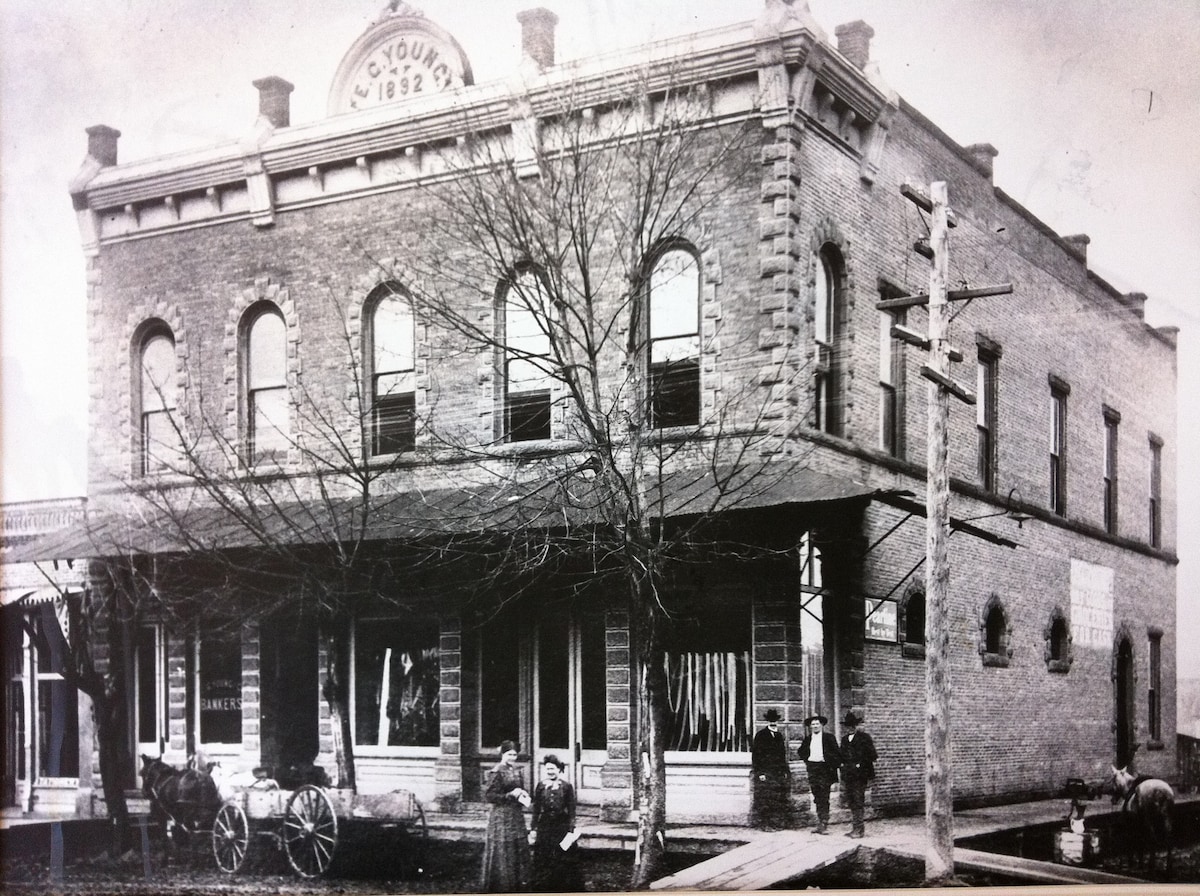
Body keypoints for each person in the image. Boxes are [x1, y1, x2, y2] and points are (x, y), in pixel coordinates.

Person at [481, 740, 531, 892]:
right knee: (504, 849)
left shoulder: (515, 770)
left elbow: (518, 788)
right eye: (509, 754)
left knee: (517, 847)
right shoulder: (497, 771)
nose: (512, 758)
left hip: (515, 814)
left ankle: (517, 883)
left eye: (515, 754)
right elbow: (489, 796)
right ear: (502, 754)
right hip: (501, 816)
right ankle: (502, 885)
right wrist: (510, 795)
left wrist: (522, 793)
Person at [528, 754, 582, 892]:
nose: (550, 771)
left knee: (561, 855)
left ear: (559, 769)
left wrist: (571, 829)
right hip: (545, 825)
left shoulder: (567, 787)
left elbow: (571, 810)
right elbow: (536, 809)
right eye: (547, 769)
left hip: (561, 825)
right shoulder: (541, 786)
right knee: (544, 856)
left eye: (552, 769)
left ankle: (562, 887)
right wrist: (533, 828)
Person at [749, 708, 793, 830]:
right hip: (766, 772)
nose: (773, 723)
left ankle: (775, 823)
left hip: (777, 772)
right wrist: (760, 772)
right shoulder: (761, 735)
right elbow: (756, 755)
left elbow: (782, 755)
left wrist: (785, 771)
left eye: (775, 720)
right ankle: (765, 824)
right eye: (770, 720)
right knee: (765, 798)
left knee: (776, 797)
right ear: (767, 721)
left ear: (777, 722)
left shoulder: (779, 736)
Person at [797, 713, 841, 834]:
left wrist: (829, 763)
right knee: (817, 796)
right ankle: (819, 822)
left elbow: (837, 754)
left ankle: (824, 823)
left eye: (817, 724)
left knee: (824, 796)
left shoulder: (829, 738)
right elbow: (801, 751)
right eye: (813, 725)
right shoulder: (808, 739)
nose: (815, 726)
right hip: (813, 769)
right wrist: (808, 761)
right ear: (810, 727)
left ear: (821, 725)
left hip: (824, 770)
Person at [838, 710, 877, 839]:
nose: (850, 728)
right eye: (848, 726)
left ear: (856, 726)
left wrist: (861, 763)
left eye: (852, 726)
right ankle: (855, 828)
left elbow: (872, 755)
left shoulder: (864, 738)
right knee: (852, 801)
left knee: (858, 800)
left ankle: (859, 830)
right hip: (849, 775)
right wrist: (842, 766)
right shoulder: (844, 740)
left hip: (860, 776)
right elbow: (841, 756)